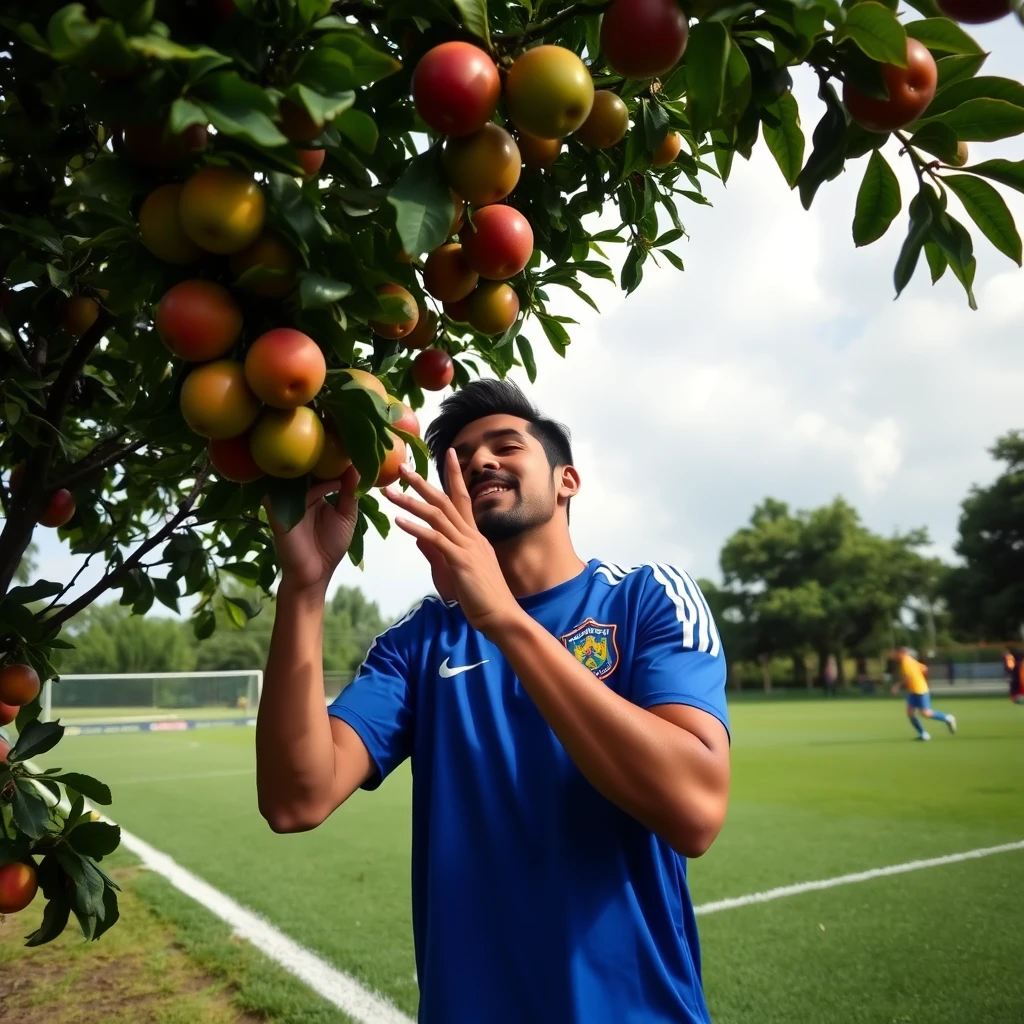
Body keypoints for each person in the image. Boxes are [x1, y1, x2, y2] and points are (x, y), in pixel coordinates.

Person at [255, 379, 732, 1024]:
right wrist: (305, 589)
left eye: (506, 446)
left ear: (568, 481)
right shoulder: (420, 640)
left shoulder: (646, 596)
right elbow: (295, 799)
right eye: (460, 457)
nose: (481, 461)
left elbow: (695, 808)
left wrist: (502, 616)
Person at [891, 646, 956, 741]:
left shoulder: (906, 661)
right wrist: (925, 681)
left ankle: (948, 718)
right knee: (910, 713)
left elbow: (908, 677)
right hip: (913, 690)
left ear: (901, 653)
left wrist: (897, 686)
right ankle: (923, 734)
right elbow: (924, 669)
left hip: (919, 689)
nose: (895, 655)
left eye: (896, 653)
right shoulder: (910, 660)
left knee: (926, 713)